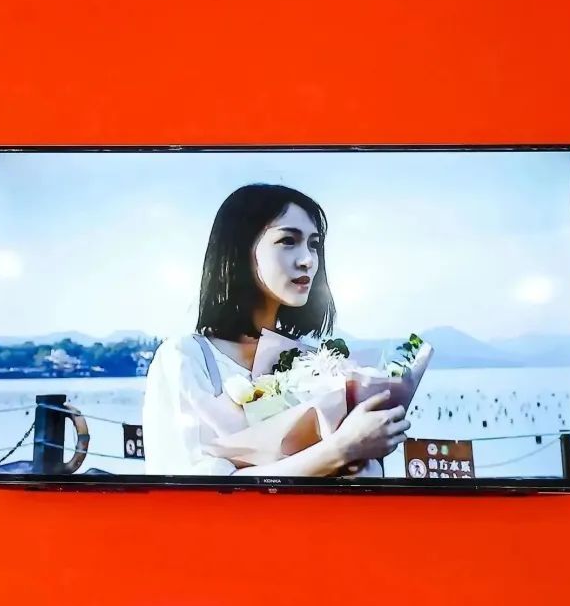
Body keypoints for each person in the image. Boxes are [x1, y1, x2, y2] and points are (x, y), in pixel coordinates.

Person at [142, 183, 408, 477]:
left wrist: (371, 443)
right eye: (288, 241)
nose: (308, 260)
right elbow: (192, 488)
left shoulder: (314, 361)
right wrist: (341, 449)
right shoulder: (186, 358)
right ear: (240, 251)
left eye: (314, 244)